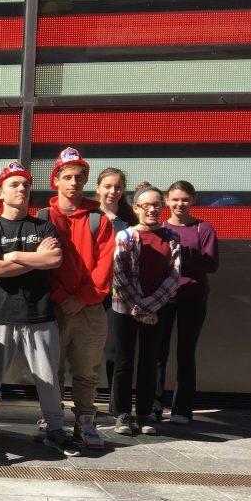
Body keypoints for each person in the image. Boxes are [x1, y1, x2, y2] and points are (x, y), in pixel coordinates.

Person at [0, 162, 79, 456]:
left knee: (47, 377)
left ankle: (55, 430)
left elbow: (54, 260)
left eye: (26, 185)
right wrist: (36, 258)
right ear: (0, 192)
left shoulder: (43, 226)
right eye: (14, 185)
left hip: (39, 313)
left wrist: (17, 255)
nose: (22, 190)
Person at [39, 147, 115, 447]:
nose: (73, 183)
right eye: (67, 177)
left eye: (79, 178)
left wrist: (82, 298)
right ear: (55, 180)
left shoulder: (99, 220)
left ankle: (86, 422)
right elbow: (41, 264)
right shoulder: (44, 217)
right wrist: (60, 295)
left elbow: (105, 266)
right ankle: (51, 420)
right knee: (51, 370)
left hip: (89, 309)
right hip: (54, 307)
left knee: (86, 371)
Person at [111, 183, 181, 435]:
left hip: (157, 308)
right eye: (146, 205)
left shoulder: (172, 237)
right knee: (124, 361)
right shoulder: (126, 236)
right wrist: (140, 307)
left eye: (156, 205)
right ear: (136, 207)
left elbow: (174, 275)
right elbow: (119, 275)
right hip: (125, 308)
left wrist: (149, 306)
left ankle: (145, 414)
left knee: (150, 361)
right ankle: (121, 413)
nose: (152, 209)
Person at [154, 180, 219, 424]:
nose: (179, 204)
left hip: (193, 298)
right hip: (163, 298)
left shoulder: (204, 229)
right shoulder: (159, 227)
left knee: (186, 352)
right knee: (158, 352)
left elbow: (212, 264)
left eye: (184, 199)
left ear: (193, 200)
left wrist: (182, 258)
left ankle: (182, 408)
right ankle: (154, 405)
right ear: (167, 200)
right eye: (175, 199)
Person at [95, 167, 137, 393]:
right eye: (108, 186)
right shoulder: (90, 216)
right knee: (87, 350)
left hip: (118, 293)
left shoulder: (131, 220)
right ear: (98, 188)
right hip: (91, 291)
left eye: (118, 187)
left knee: (116, 350)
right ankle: (86, 403)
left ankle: (117, 404)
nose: (113, 191)